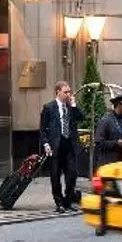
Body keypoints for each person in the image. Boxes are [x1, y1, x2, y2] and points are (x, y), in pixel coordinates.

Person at [39, 81, 84, 213]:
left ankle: (68, 201)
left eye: (69, 91)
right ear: (58, 91)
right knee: (55, 176)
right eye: (66, 92)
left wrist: (74, 105)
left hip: (70, 146)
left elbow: (82, 117)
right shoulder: (49, 108)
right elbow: (42, 130)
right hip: (56, 147)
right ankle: (59, 203)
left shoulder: (71, 107)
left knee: (72, 175)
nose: (68, 94)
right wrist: (46, 144)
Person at [93, 92, 122, 170]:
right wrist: (116, 143)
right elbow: (99, 143)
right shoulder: (105, 121)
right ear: (119, 105)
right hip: (109, 165)